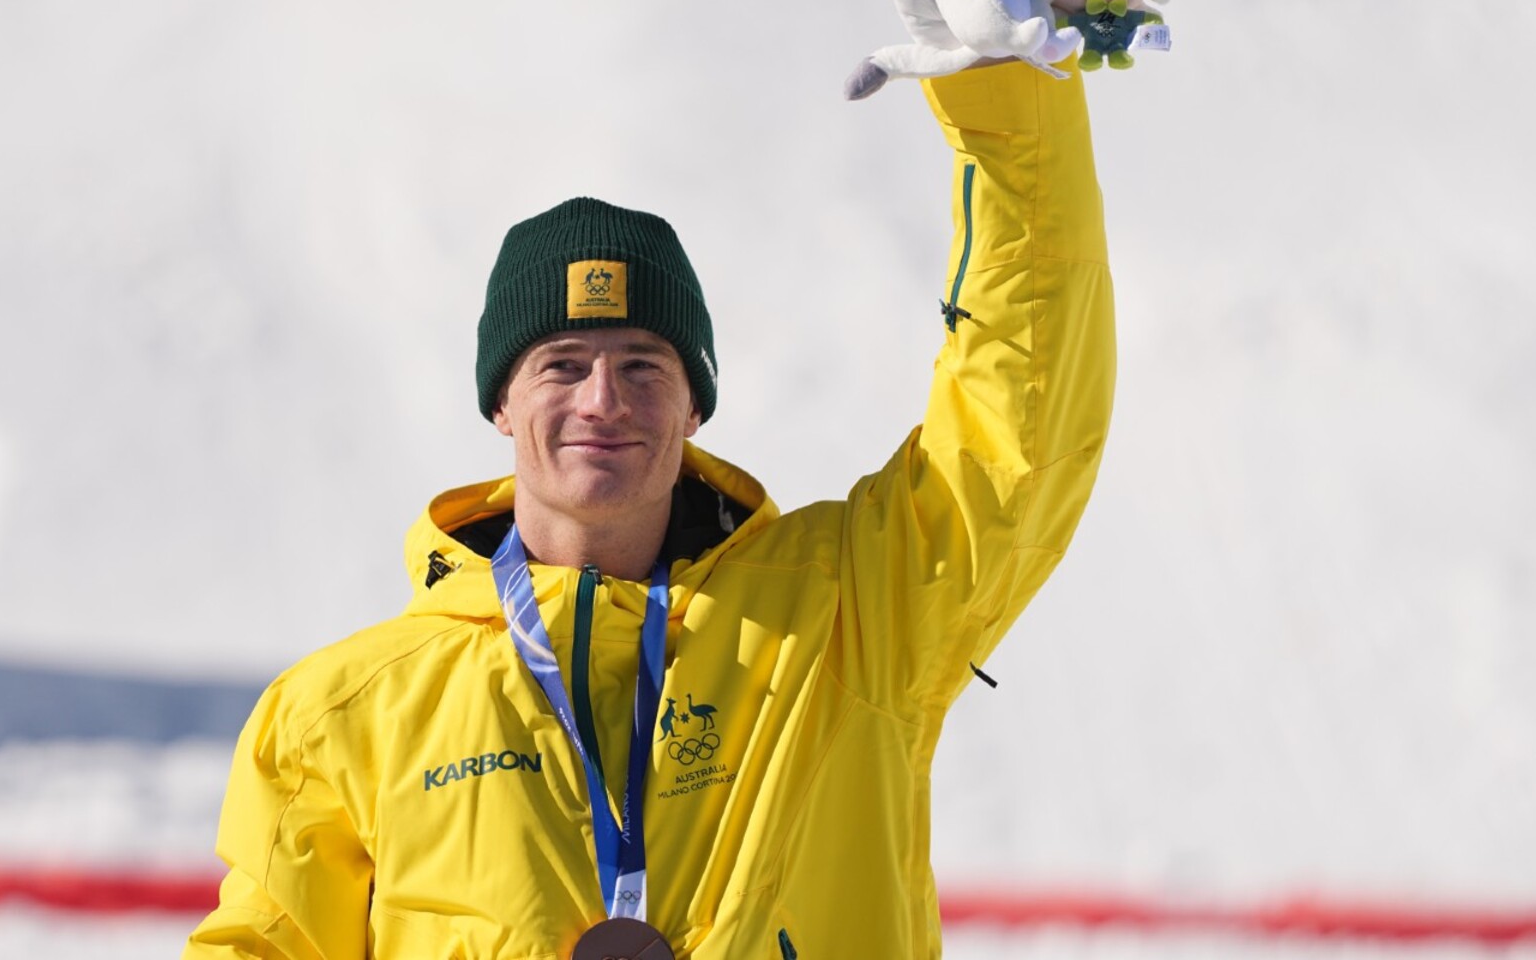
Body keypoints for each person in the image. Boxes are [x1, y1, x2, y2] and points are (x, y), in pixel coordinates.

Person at [184, 55, 1115, 958]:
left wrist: (1008, 100)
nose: (602, 401)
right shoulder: (344, 709)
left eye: (642, 365)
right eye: (561, 365)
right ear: (500, 404)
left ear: (694, 403)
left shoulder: (853, 613)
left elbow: (1014, 436)